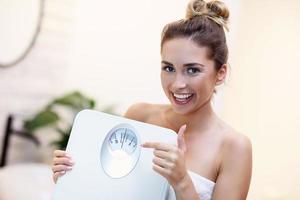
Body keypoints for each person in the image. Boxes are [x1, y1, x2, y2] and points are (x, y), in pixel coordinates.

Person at [52, 0, 252, 199]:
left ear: (221, 73)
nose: (177, 84)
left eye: (192, 70)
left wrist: (182, 182)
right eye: (169, 68)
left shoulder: (234, 148)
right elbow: (105, 191)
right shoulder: (139, 116)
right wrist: (70, 176)